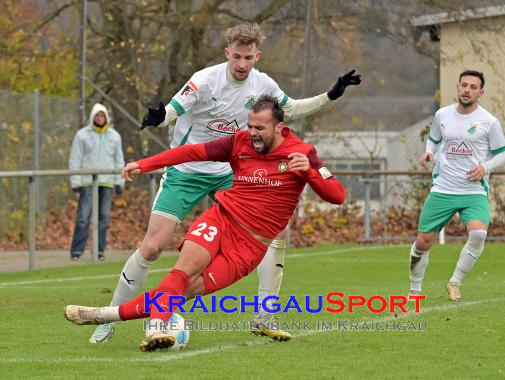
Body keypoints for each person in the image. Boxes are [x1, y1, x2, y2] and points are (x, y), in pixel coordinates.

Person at [89, 23, 360, 343]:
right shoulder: (204, 80)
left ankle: (264, 315)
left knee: (277, 230)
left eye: (248, 57)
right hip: (188, 171)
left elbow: (291, 109)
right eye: (236, 57)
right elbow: (174, 110)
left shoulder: (264, 84)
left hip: (231, 171)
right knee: (152, 246)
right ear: (226, 53)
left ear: (257, 56)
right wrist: (159, 118)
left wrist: (331, 95)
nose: (242, 64)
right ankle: (109, 319)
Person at [65, 95, 346, 352]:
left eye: (260, 128)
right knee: (183, 271)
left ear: (279, 127)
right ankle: (155, 328)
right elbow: (191, 152)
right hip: (221, 220)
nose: (252, 133)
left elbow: (337, 195)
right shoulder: (239, 142)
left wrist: (310, 173)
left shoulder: (302, 153)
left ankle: (103, 315)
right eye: (250, 125)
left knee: (183, 291)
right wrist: (146, 164)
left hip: (249, 248)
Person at [408, 70, 505, 301]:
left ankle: (454, 282)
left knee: (478, 235)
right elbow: (433, 139)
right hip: (443, 188)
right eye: (464, 85)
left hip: (473, 191)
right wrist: (428, 153)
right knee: (423, 242)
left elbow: (503, 153)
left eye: (473, 87)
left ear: (480, 92)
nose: (467, 90)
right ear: (457, 87)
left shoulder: (489, 122)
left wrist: (485, 168)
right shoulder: (442, 115)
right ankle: (415, 289)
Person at [69, 103, 125, 262]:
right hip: (88, 182)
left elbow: (119, 160)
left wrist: (119, 182)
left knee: (104, 217)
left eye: (102, 116)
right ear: (93, 117)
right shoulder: (82, 135)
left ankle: (99, 251)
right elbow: (75, 159)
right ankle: (77, 251)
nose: (100, 118)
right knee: (83, 217)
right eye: (97, 115)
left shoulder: (115, 136)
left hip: (106, 183)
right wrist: (76, 182)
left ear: (106, 117)